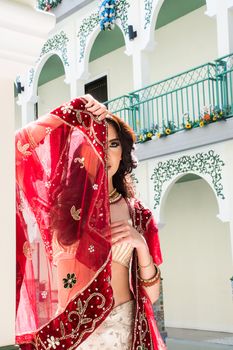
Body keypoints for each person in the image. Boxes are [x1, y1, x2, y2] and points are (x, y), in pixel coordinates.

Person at [15, 95, 166, 350]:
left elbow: (151, 296)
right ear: (82, 149)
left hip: (122, 333)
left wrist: (140, 245)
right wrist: (74, 108)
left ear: (123, 153)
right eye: (97, 141)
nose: (106, 152)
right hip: (71, 336)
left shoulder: (138, 214)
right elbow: (15, 149)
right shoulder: (59, 207)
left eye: (114, 144)